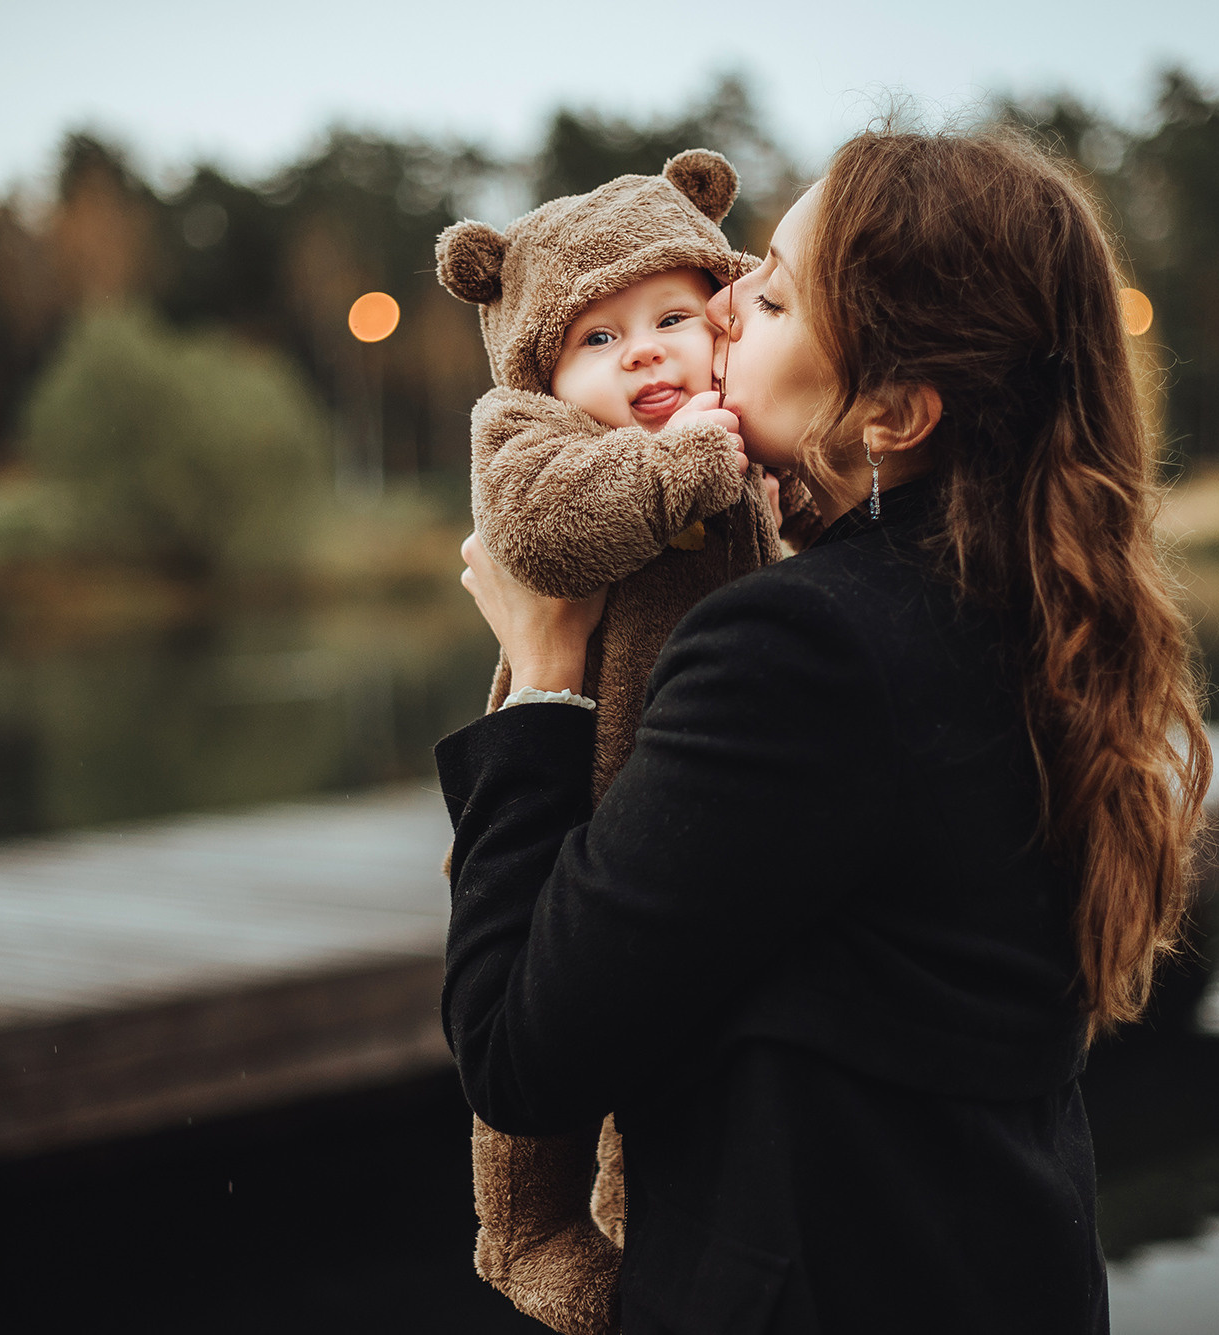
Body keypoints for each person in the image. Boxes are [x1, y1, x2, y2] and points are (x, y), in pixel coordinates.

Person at [438, 125, 1212, 1335]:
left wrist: (543, 675)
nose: (726, 296)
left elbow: (518, 1051)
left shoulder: (799, 652)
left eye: (777, 292)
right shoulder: (1028, 613)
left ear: (895, 409)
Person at [434, 148, 813, 1335]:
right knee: (541, 1050)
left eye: (667, 316)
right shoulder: (526, 437)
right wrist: (694, 459)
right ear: (537, 369)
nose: (642, 350)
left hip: (701, 791)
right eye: (595, 339)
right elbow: (541, 539)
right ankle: (527, 1234)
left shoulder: (741, 418)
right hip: (578, 790)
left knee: (649, 1089)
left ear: (720, 311)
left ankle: (628, 1226)